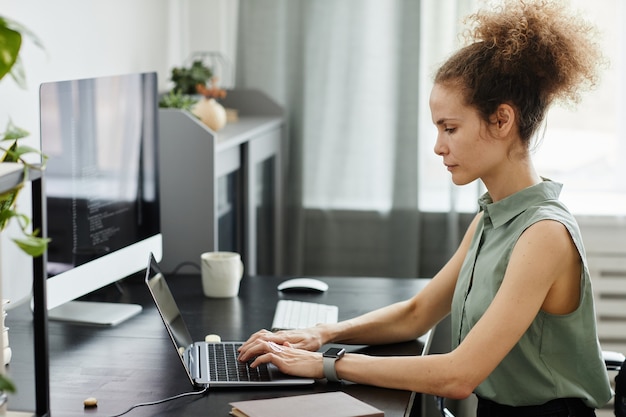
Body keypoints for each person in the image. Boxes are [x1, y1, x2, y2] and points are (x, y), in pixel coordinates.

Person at [237, 0, 612, 415]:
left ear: (502, 121)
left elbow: (459, 375)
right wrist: (319, 333)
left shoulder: (543, 234)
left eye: (450, 128)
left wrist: (327, 365)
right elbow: (417, 313)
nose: (439, 146)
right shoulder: (495, 216)